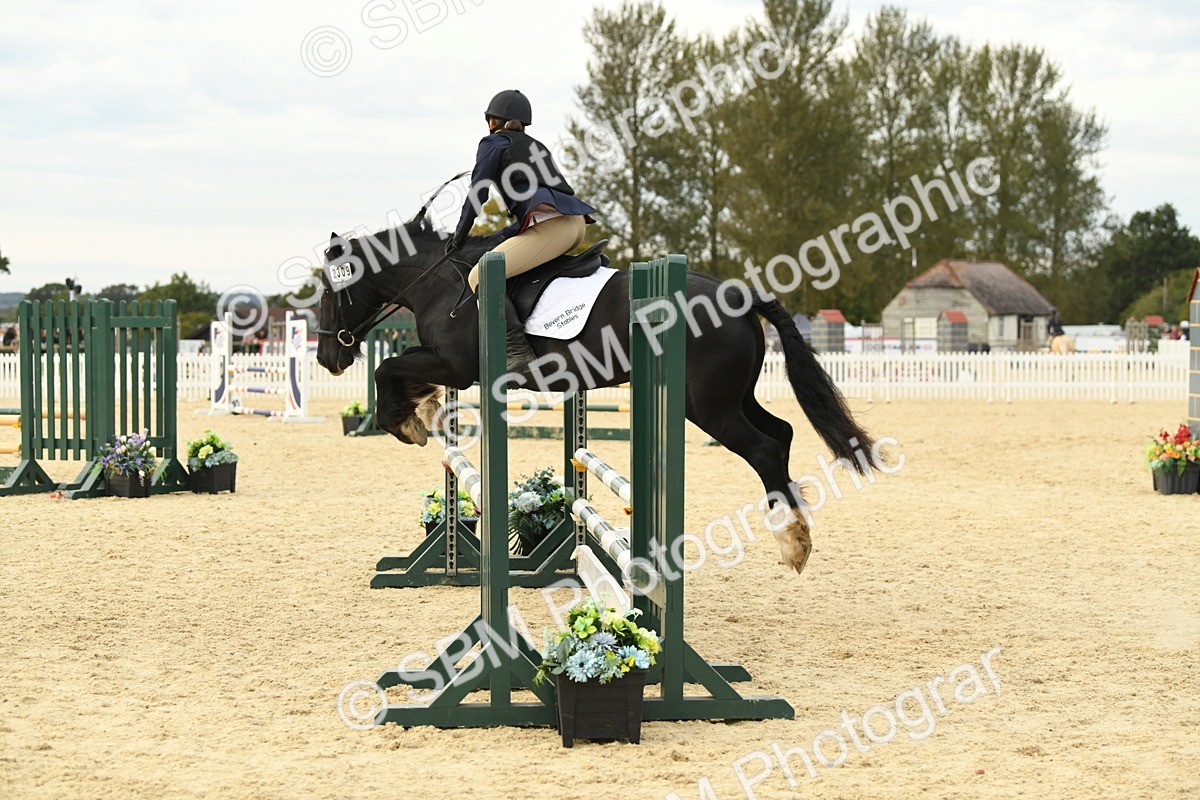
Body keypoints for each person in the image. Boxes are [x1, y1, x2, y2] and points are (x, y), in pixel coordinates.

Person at [445, 89, 598, 373]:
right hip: (574, 224)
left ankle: (518, 352)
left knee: (481, 275)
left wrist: (460, 235)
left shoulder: (493, 143)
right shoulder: (536, 146)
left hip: (554, 227)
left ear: (494, 120)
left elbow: (478, 192)